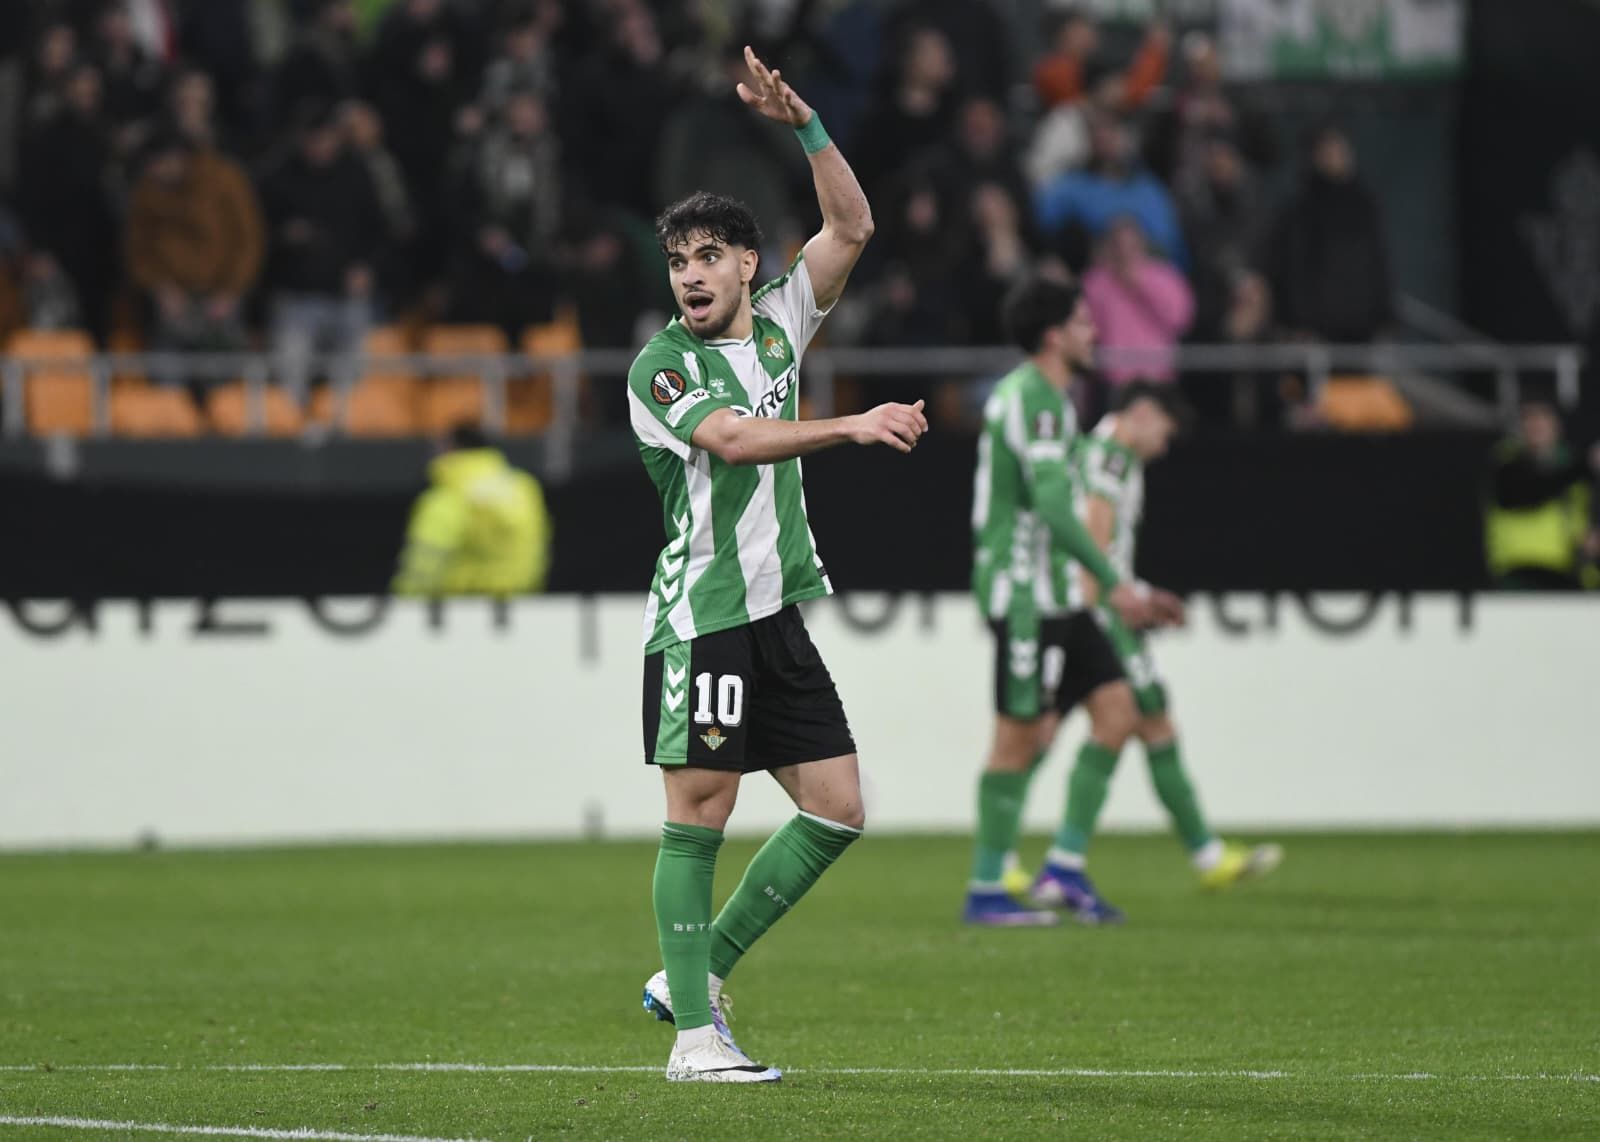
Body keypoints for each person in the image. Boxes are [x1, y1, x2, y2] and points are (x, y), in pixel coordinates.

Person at [627, 47, 924, 1083]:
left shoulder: (785, 325)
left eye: (709, 256)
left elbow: (852, 227)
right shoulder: (662, 364)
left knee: (837, 804)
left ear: (750, 264)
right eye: (678, 261)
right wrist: (852, 426)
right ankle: (694, 1040)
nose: (692, 276)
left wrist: (804, 123)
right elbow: (736, 443)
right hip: (703, 612)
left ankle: (694, 970)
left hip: (774, 612)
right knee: (699, 808)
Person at [1001, 381, 1283, 899]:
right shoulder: (1110, 455)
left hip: (1091, 604)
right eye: (1166, 432)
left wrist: (1141, 592)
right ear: (1145, 414)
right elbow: (1097, 530)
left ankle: (1203, 854)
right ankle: (1042, 860)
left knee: (1132, 718)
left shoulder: (1098, 453)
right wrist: (1114, 597)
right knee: (1096, 719)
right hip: (1093, 611)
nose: (1165, 445)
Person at [962, 276, 1185, 928]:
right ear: (1055, 335)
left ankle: (1062, 866)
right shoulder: (1033, 399)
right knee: (1018, 736)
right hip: (1023, 591)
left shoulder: (1051, 399)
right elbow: (1057, 507)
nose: (1096, 333)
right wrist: (1113, 582)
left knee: (1119, 712)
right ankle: (987, 888)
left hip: (1058, 591)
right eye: (1085, 323)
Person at [391, 424, 551, 597]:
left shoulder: (449, 493)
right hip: (524, 602)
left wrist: (404, 600)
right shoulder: (524, 487)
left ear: (450, 448)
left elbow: (424, 562)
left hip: (461, 606)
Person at [1486, 397, 1600, 590]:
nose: (1536, 425)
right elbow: (1528, 492)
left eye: (1543, 417)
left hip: (1571, 573)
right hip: (1523, 572)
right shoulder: (1506, 461)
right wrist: (1585, 466)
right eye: (1528, 418)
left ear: (1557, 425)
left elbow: (1578, 516)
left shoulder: (1570, 463)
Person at [1081, 215, 1194, 385]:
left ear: (1142, 244)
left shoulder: (1165, 276)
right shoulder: (1096, 282)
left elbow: (1180, 320)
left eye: (1130, 246)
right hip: (1112, 380)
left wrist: (1141, 285)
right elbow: (1085, 327)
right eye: (1118, 246)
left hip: (1158, 378)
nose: (1125, 253)